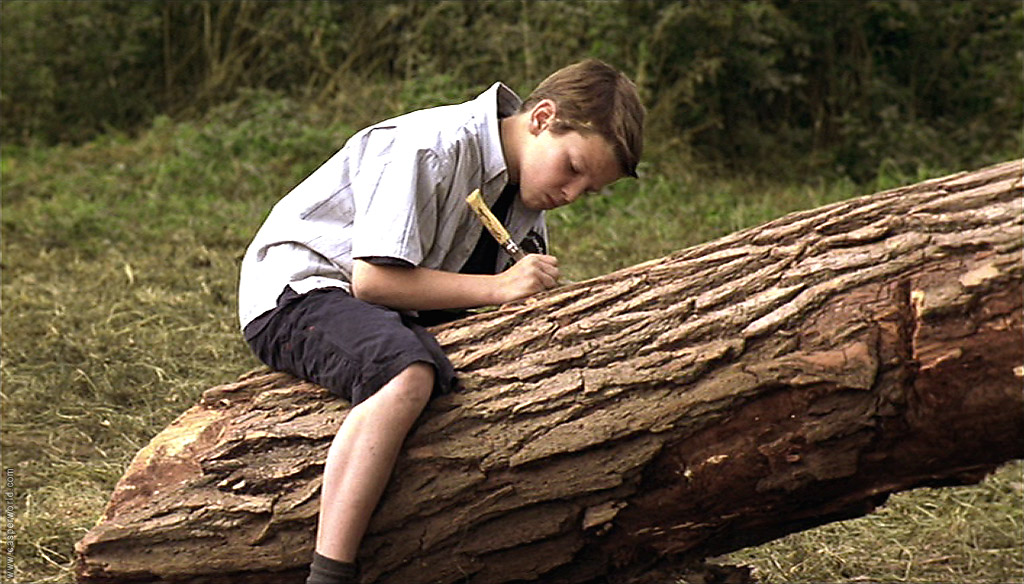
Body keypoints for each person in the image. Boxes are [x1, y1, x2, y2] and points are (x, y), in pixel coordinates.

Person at [237, 58, 644, 584]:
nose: (569, 195)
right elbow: (373, 282)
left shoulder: (522, 198)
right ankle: (330, 574)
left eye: (586, 190)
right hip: (302, 291)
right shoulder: (433, 143)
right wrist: (500, 287)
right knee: (406, 372)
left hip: (387, 308)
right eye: (572, 168)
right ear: (542, 118)